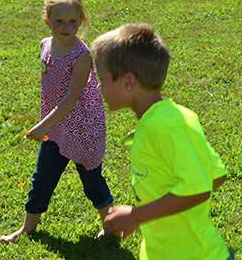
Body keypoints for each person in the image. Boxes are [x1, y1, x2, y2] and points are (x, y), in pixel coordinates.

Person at [91, 23, 234, 260]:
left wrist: (137, 215)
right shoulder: (173, 116)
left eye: (103, 78)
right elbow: (215, 175)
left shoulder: (163, 126)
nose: (99, 86)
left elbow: (198, 188)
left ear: (128, 82)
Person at [0, 0, 113, 243]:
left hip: (80, 127)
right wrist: (48, 126)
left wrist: (43, 126)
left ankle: (109, 223)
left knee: (91, 179)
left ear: (80, 21)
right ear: (47, 20)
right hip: (55, 128)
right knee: (42, 178)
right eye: (59, 21)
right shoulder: (45, 45)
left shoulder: (81, 55)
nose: (66, 27)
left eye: (72, 21)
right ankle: (26, 229)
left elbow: (71, 97)